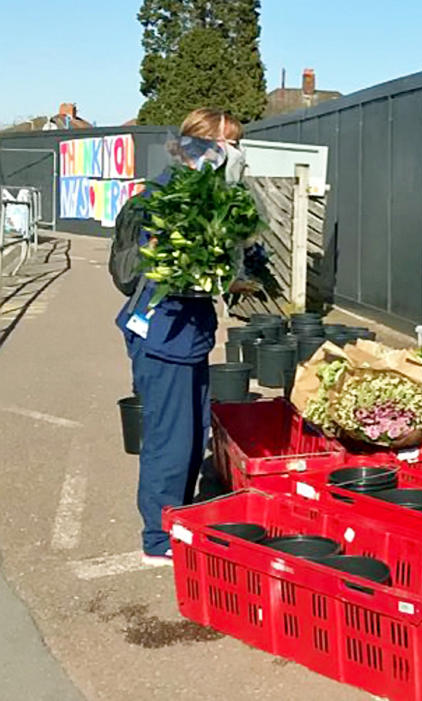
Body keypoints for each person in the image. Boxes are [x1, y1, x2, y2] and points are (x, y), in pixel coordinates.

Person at [116, 108, 246, 566]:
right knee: (169, 438)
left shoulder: (214, 198)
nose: (233, 155)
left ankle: (181, 517)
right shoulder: (166, 197)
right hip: (162, 332)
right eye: (226, 145)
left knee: (193, 434)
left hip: (189, 332)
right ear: (200, 146)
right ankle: (158, 536)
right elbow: (160, 262)